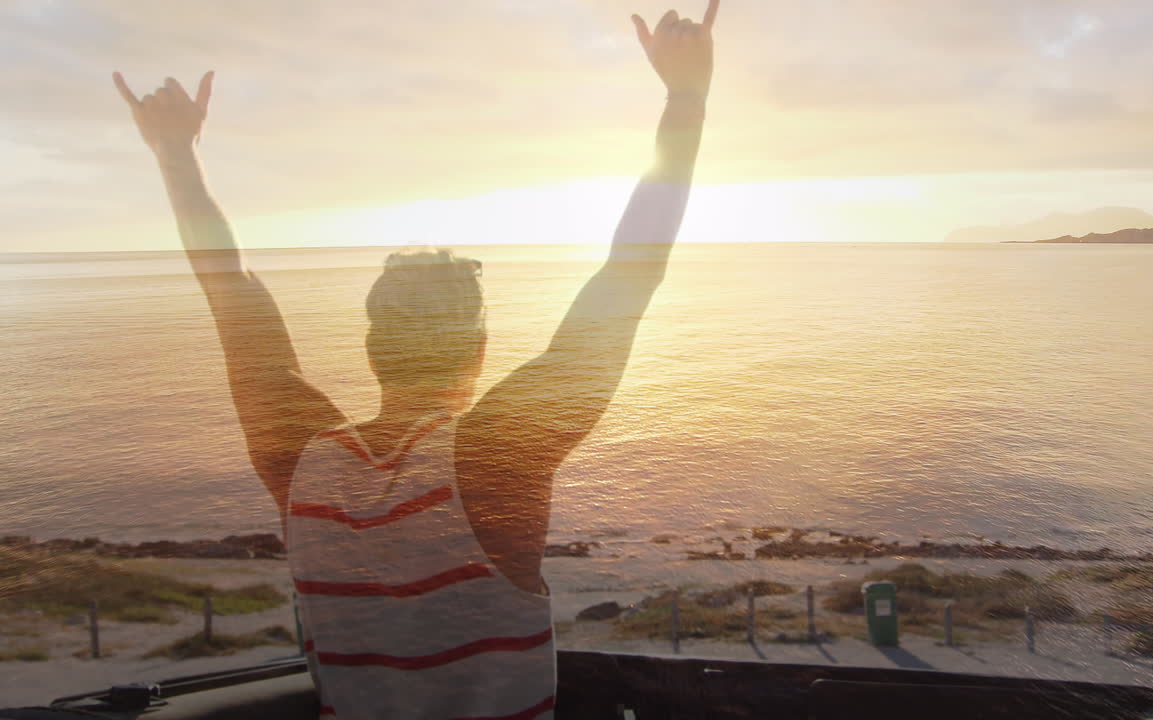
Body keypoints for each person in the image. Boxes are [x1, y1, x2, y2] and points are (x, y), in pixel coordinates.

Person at [113, 2, 717, 718]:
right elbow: (629, 274)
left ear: (372, 352)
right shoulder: (494, 459)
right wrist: (686, 96)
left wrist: (174, 152)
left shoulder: (300, 460)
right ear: (480, 352)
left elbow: (231, 292)